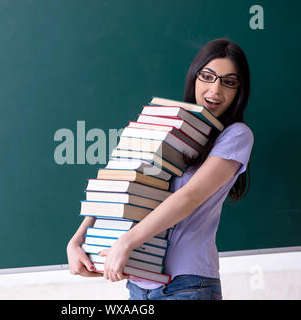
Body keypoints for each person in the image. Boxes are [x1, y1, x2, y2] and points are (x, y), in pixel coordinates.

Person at [66, 38, 254, 300]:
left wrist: (127, 242)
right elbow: (126, 182)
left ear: (239, 91)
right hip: (140, 283)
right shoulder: (174, 125)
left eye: (228, 82)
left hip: (189, 285)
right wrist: (78, 239)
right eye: (208, 77)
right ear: (194, 77)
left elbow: (190, 197)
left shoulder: (236, 135)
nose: (215, 89)